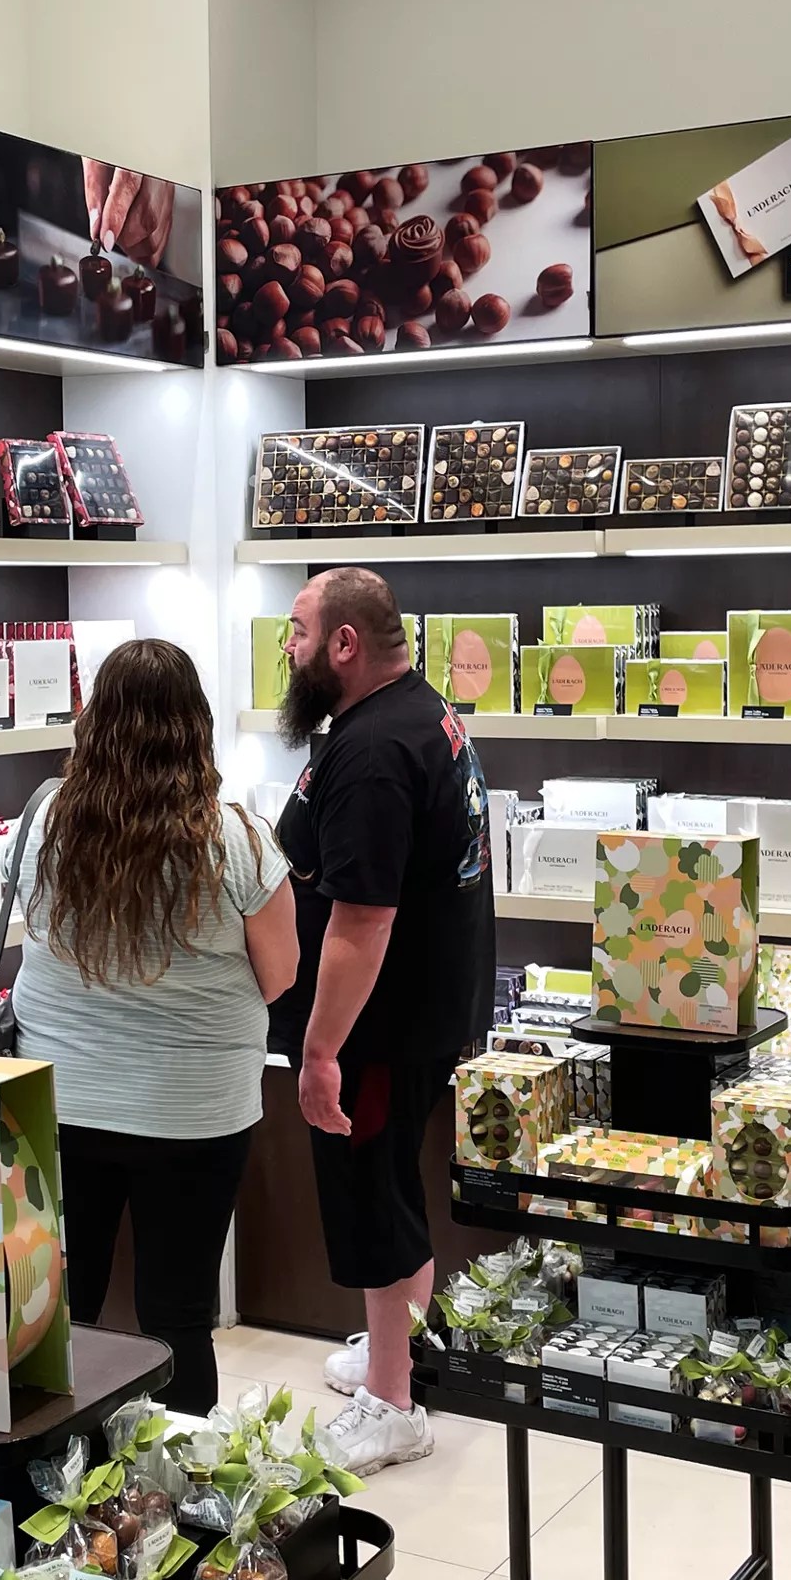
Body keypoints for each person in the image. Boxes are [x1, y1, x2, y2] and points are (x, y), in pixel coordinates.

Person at [11, 637, 299, 1412]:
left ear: (92, 721)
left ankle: (62, 1473)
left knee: (59, 1311)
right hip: (194, 1111)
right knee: (178, 1312)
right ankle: (180, 1478)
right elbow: (281, 975)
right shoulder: (237, 842)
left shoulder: (42, 825)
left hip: (61, 1103)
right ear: (196, 725)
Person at [273, 567, 496, 1472]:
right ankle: (395, 1349)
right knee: (393, 1179)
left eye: (297, 632)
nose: (287, 649)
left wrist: (321, 1050)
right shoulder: (414, 711)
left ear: (344, 643)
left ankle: (394, 1404)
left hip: (378, 1025)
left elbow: (362, 922)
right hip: (421, 1009)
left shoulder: (371, 752)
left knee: (373, 1196)